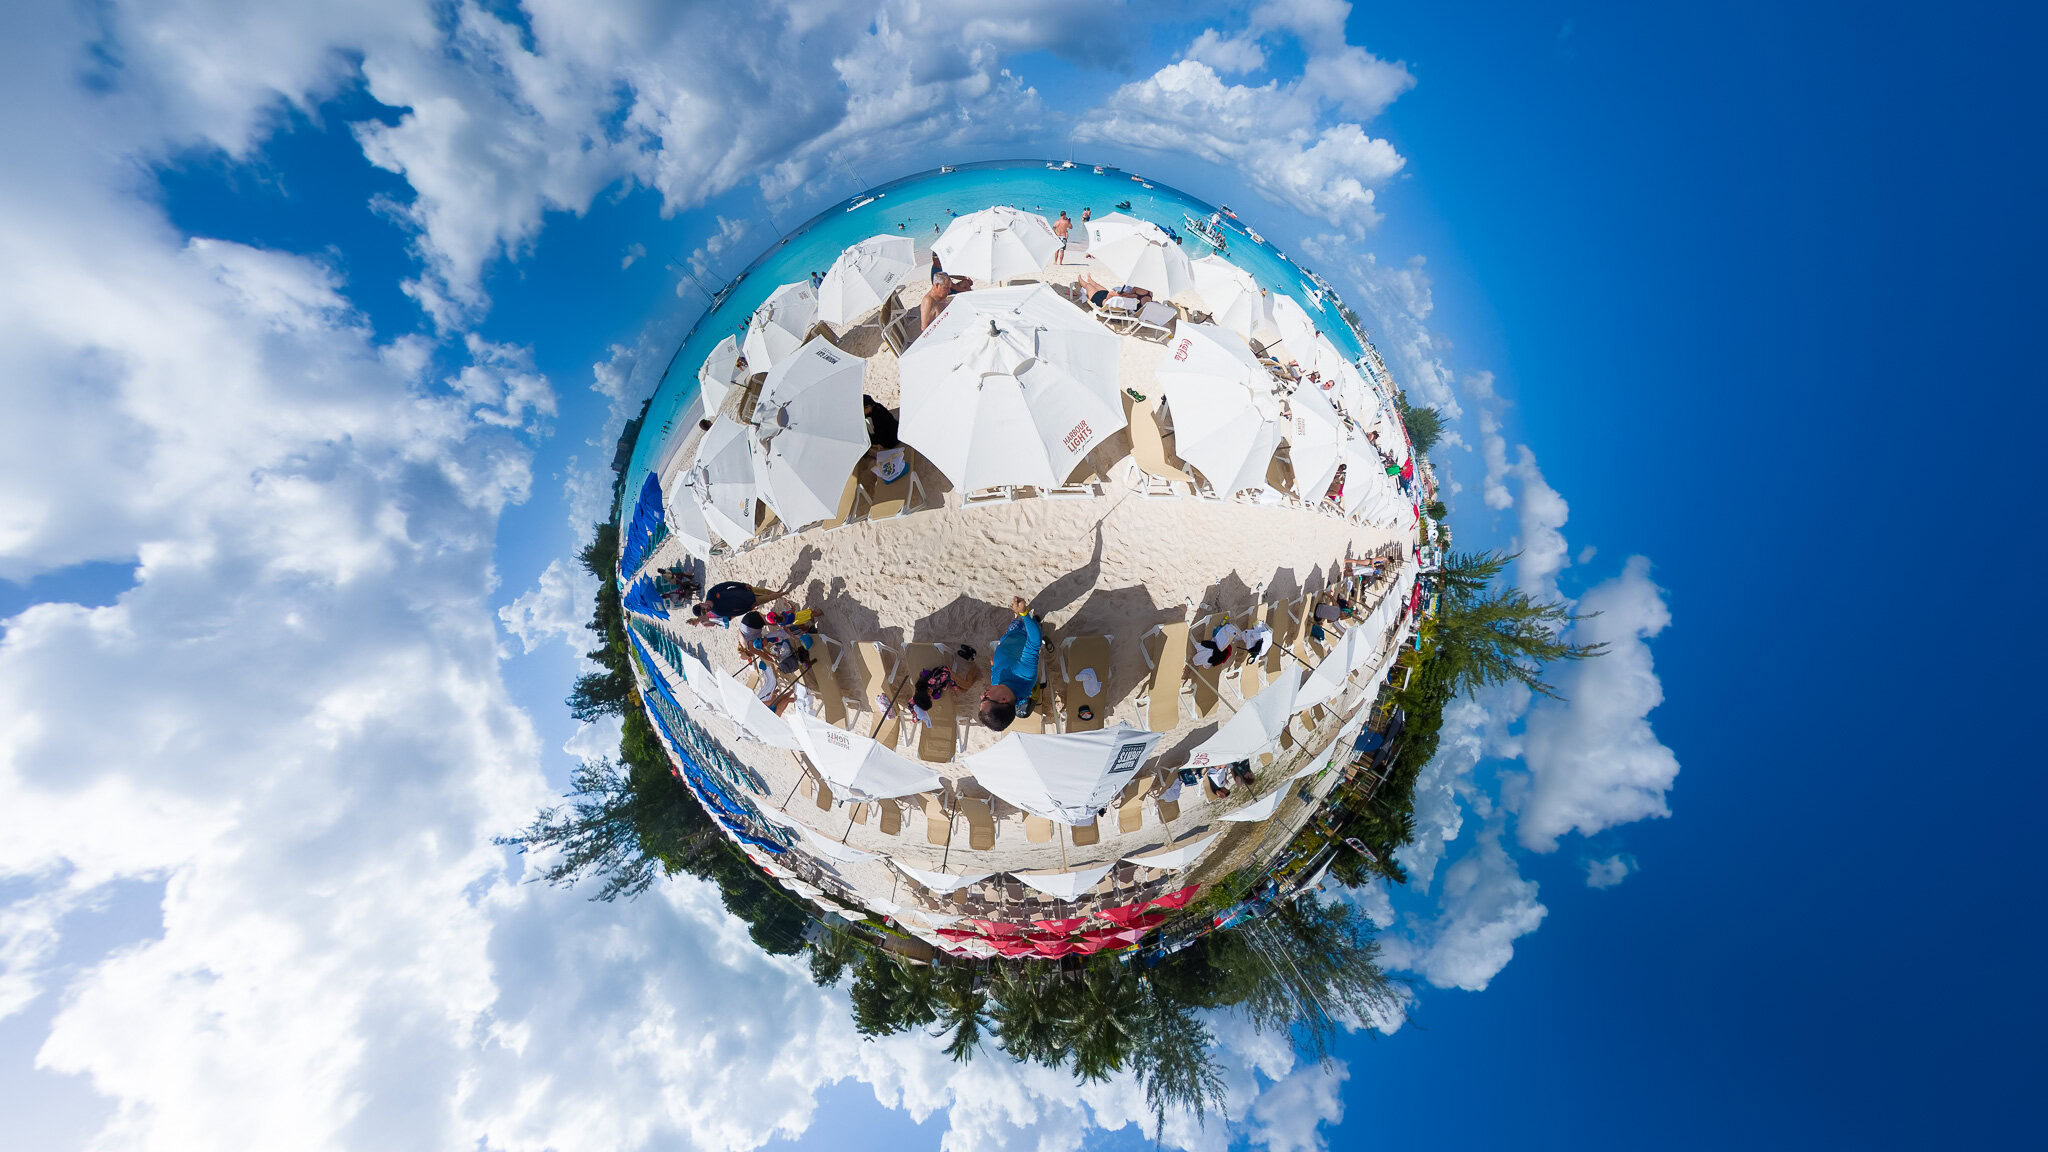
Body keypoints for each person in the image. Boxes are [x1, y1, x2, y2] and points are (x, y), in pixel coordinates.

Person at [978, 596, 1043, 731]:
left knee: (1014, 622)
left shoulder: (999, 688)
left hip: (1008, 636)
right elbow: (1035, 642)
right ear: (1003, 700)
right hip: (1022, 635)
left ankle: (1028, 620)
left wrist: (994, 665)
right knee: (1032, 625)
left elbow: (997, 672)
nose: (982, 695)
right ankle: (1032, 621)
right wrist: (1024, 613)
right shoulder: (1024, 674)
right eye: (985, 699)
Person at [689, 580, 794, 627]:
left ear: (700, 604)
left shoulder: (711, 593)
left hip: (745, 591)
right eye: (704, 613)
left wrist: (743, 585)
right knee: (769, 598)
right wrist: (749, 608)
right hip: (749, 603)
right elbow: (735, 613)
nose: (706, 610)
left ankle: (779, 593)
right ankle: (784, 593)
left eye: (703, 609)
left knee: (765, 592)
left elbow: (727, 584)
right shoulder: (718, 612)